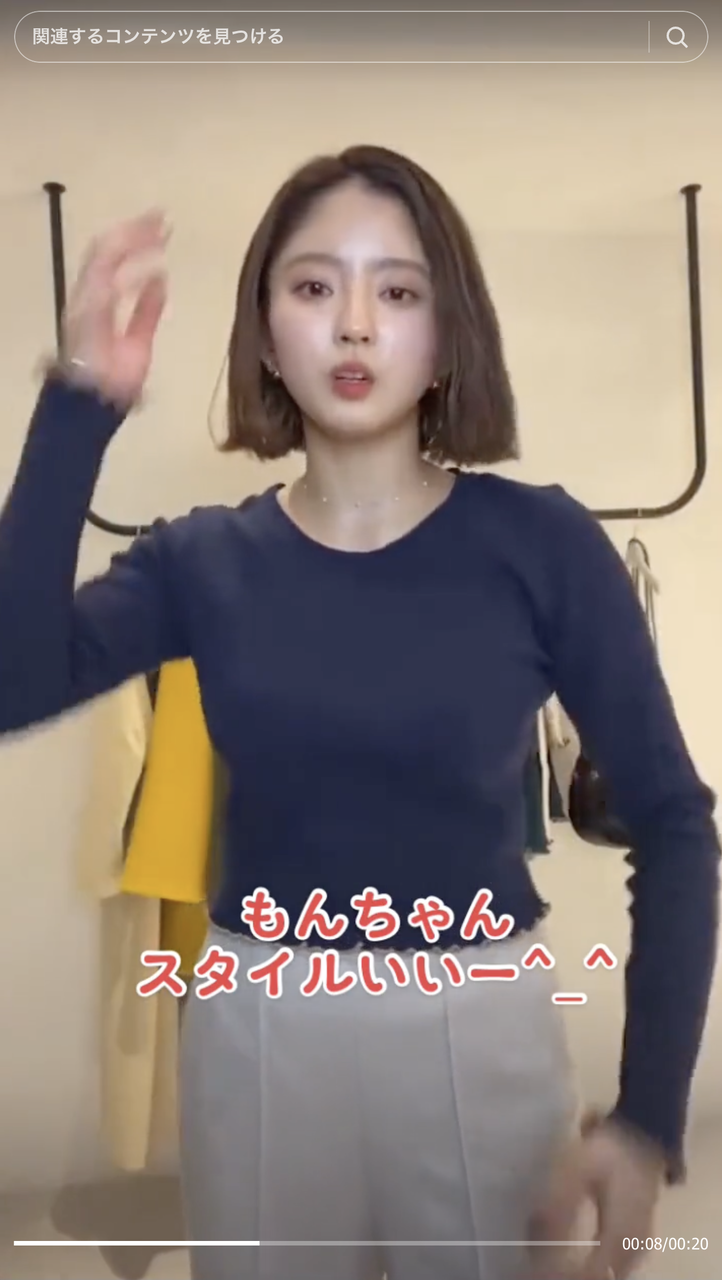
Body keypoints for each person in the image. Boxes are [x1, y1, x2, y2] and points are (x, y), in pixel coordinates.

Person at [0, 144, 718, 1280]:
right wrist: (80, 402)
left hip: (481, 1024)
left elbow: (675, 825)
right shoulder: (201, 561)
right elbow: (12, 683)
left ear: (447, 336)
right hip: (256, 1023)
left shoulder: (542, 544)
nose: (353, 324)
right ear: (265, 333)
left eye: (398, 290)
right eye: (312, 285)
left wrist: (645, 1118)